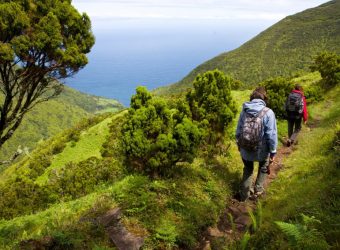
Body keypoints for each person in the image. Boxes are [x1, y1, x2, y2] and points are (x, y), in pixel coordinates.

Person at [236, 87, 278, 201]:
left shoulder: (244, 110)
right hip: (261, 151)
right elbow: (272, 135)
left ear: (252, 97)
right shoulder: (268, 113)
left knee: (248, 168)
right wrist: (273, 151)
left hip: (245, 148)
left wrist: (239, 145)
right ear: (264, 98)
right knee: (263, 166)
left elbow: (238, 131)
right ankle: (258, 191)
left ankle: (244, 195)